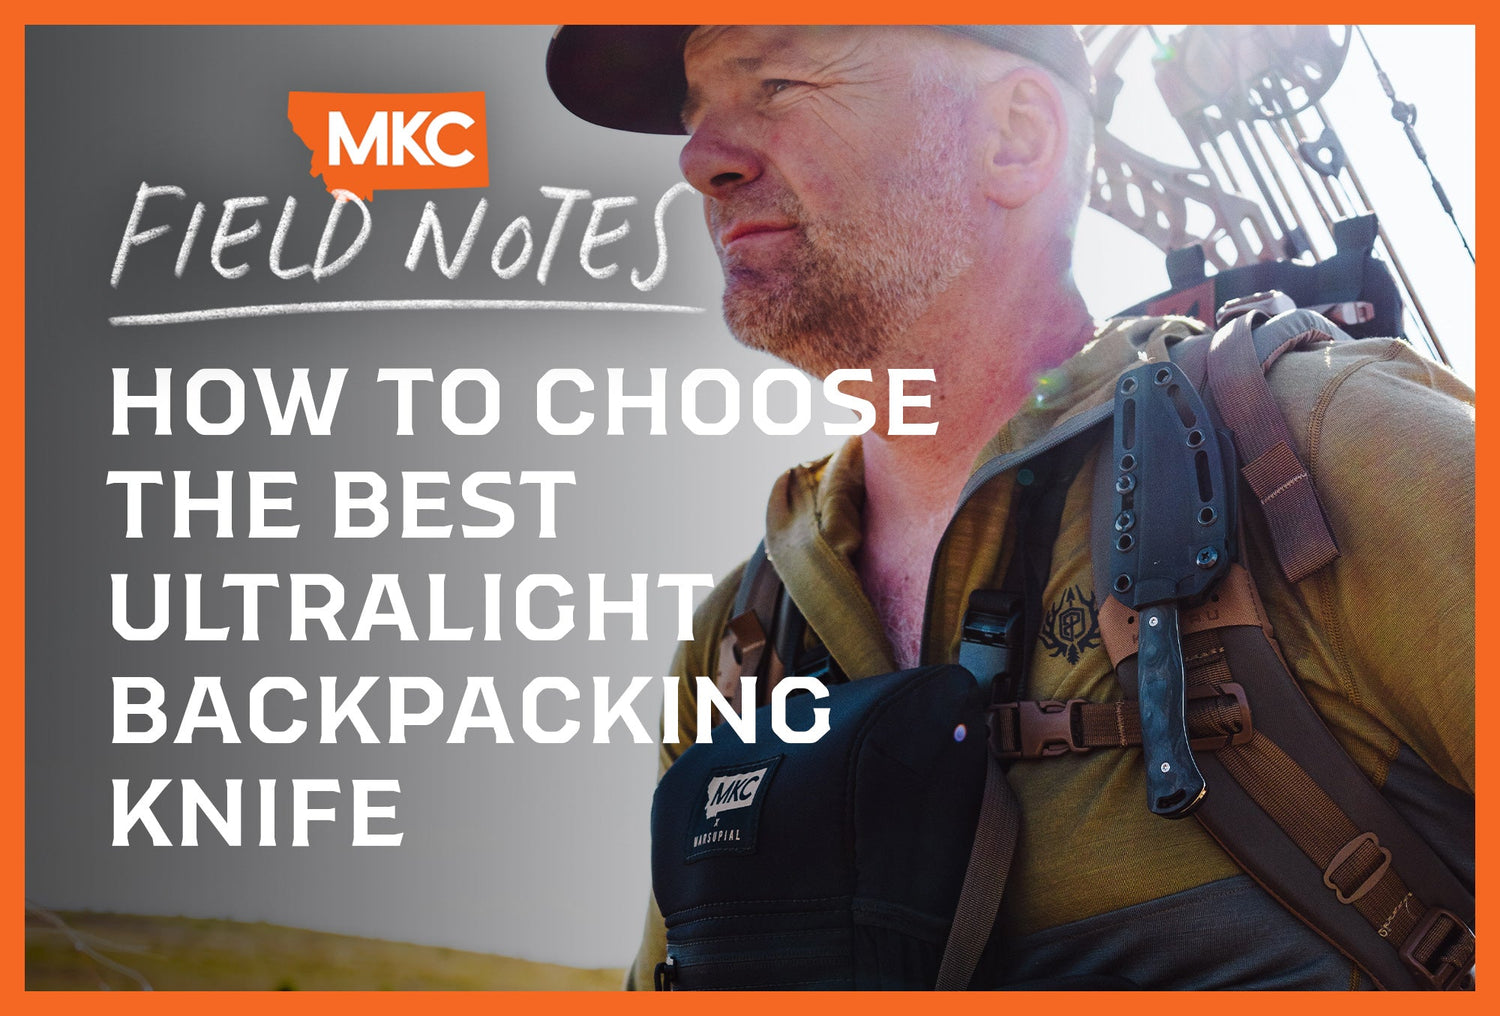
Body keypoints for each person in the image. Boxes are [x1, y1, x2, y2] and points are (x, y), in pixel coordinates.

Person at [546, 24, 1474, 989]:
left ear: (1017, 138)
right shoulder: (741, 639)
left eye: (777, 84)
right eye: (696, 119)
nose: (700, 161)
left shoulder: (1324, 456)